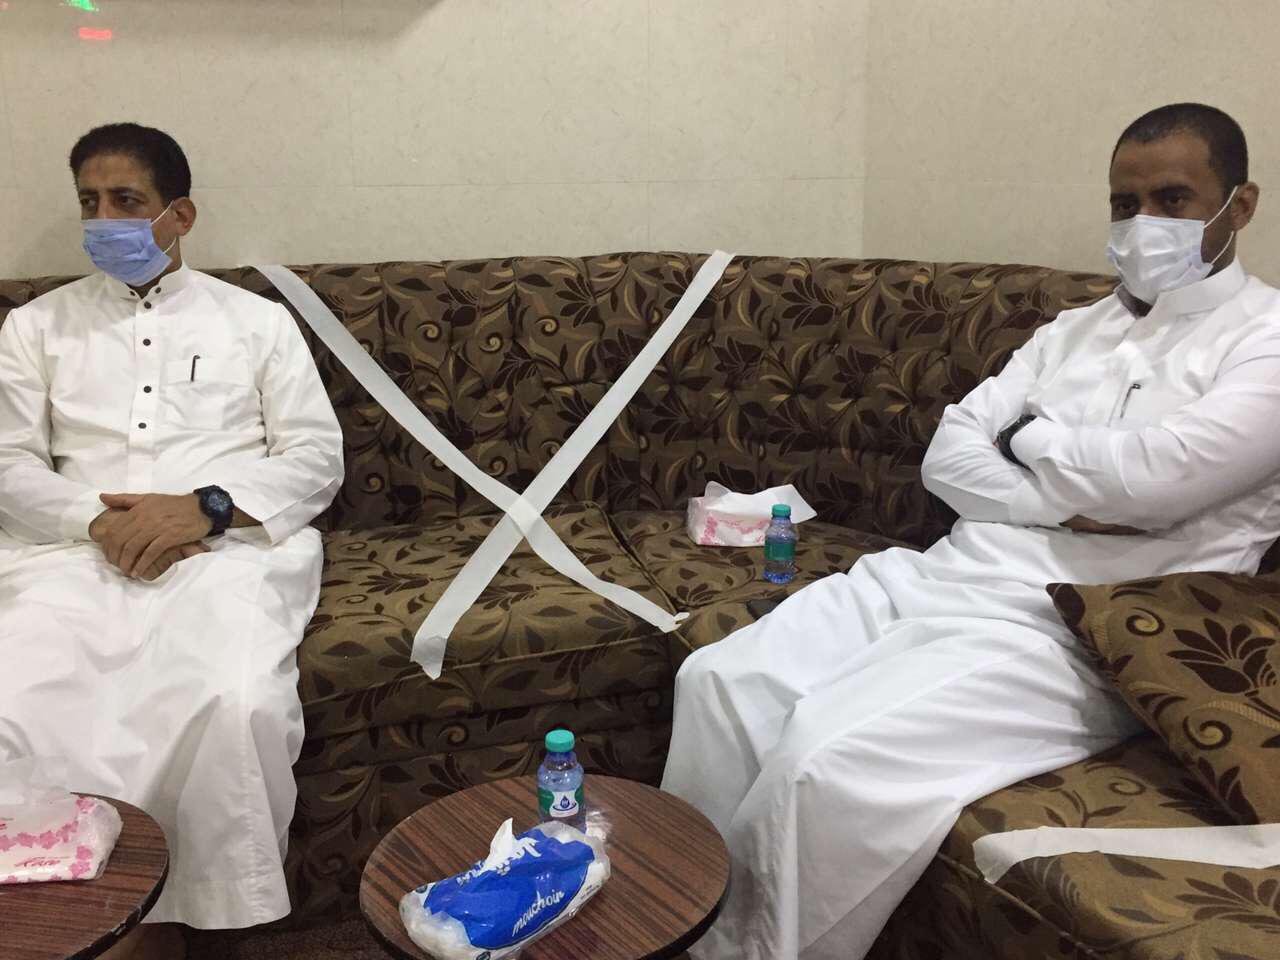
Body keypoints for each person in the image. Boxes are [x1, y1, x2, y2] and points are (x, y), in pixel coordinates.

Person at [662, 102, 1280, 960]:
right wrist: (1073, 497)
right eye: (1123, 204)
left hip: (1080, 627)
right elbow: (948, 459)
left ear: (1239, 206)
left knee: (822, 760)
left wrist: (1028, 439)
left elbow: (1157, 483)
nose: (1143, 224)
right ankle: (676, 928)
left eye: (1172, 200)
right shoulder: (1074, 330)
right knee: (718, 682)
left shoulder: (1265, 341)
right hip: (946, 571)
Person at [0, 123, 344, 959]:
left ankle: (188, 919)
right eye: (90, 203)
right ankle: (69, 921)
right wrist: (99, 522)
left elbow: (315, 457)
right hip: (70, 555)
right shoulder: (36, 328)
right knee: (21, 699)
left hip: (223, 555)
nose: (103, 219)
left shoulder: (257, 323)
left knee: (233, 702)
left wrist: (207, 508)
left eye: (127, 201)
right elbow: (7, 463)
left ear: (179, 215)